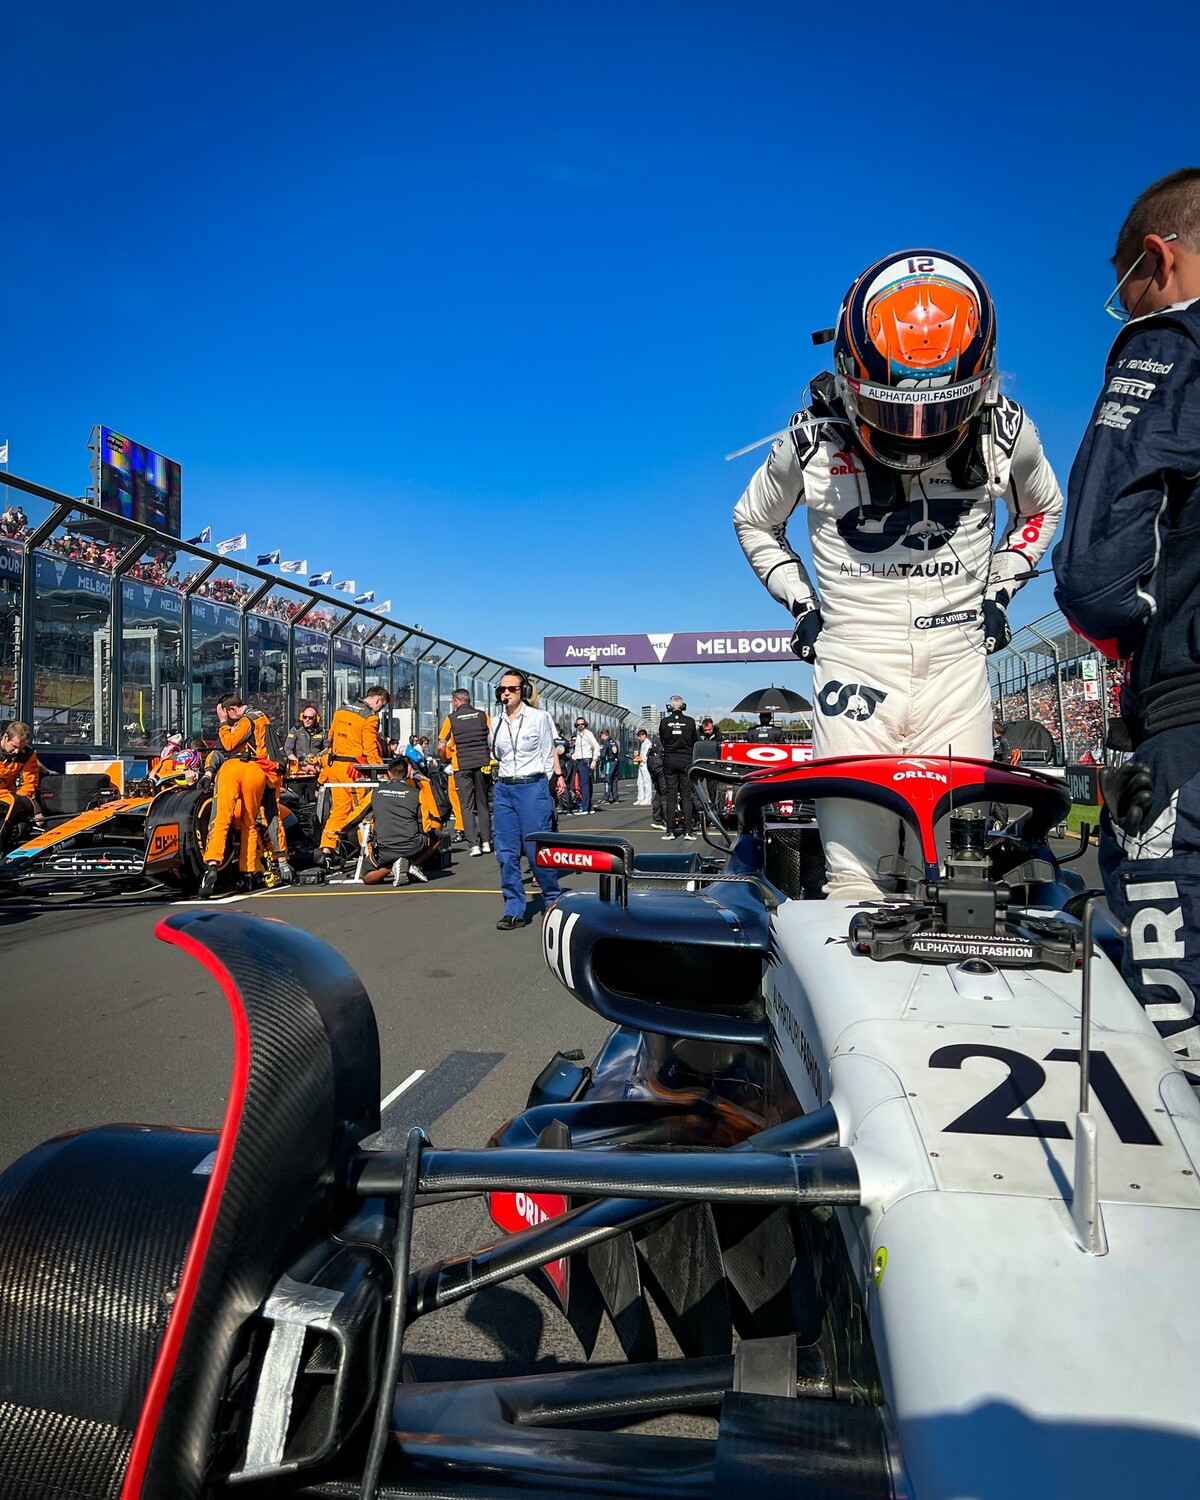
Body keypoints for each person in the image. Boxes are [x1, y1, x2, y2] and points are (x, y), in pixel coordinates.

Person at [735, 248, 1063, 896]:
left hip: (957, 665)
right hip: (855, 662)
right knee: (854, 881)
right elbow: (754, 521)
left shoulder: (1006, 429)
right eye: (897, 409)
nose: (916, 430)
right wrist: (803, 605)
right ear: (849, 374)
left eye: (937, 410)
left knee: (956, 881)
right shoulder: (809, 439)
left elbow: (1043, 508)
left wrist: (999, 592)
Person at [1052, 167, 1200, 1069]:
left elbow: (1096, 575)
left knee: (1178, 1062)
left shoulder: (1169, 345)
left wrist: (1136, 646)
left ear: (1158, 260)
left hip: (1187, 729)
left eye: (1126, 288)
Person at [489, 667, 567, 930]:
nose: (506, 693)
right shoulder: (496, 722)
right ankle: (514, 909)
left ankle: (552, 900)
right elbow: (497, 754)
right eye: (502, 689)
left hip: (532, 786)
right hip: (504, 788)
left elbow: (548, 753)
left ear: (523, 691)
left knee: (536, 850)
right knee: (506, 852)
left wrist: (543, 784)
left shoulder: (539, 718)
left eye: (511, 688)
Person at [210, 692, 291, 874]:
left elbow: (229, 743)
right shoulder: (260, 715)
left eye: (226, 714)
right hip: (271, 772)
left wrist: (223, 723)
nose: (229, 720)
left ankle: (254, 866)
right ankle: (281, 861)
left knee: (251, 821)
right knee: (272, 817)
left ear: (231, 709)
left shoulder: (247, 721)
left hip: (260, 773)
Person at [318, 685, 390, 865]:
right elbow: (370, 749)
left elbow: (330, 737)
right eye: (381, 706)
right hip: (354, 770)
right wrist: (382, 771)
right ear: (378, 700)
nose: (380, 710)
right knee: (363, 811)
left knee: (339, 810)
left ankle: (326, 849)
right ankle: (369, 854)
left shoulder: (341, 710)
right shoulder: (370, 718)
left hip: (335, 767)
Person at [361, 758, 439, 886]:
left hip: (385, 848)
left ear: (389, 773)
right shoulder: (417, 793)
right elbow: (425, 827)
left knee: (366, 876)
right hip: (411, 845)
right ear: (407, 773)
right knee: (438, 836)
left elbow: (357, 815)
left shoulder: (376, 792)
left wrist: (339, 831)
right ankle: (411, 863)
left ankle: (391, 866)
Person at [439, 688, 493, 857]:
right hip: (482, 763)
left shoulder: (451, 718)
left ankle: (473, 845)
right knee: (483, 803)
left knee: (466, 805)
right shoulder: (483, 715)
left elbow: (441, 745)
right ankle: (486, 842)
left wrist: (443, 760)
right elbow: (492, 737)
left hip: (461, 765)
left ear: (456, 701)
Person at [658, 695, 698, 841]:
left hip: (670, 760)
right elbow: (695, 741)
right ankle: (688, 831)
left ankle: (670, 831)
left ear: (669, 707)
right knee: (687, 795)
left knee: (671, 796)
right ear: (683, 706)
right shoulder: (690, 722)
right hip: (686, 760)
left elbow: (662, 739)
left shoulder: (664, 722)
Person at [0, 721, 43, 851]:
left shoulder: (28, 753)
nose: (17, 751)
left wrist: (23, 798)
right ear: (5, 737)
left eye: (21, 747)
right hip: (5, 796)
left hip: (9, 796)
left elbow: (31, 780)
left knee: (36, 817)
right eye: (14, 746)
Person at [571, 717, 599, 814]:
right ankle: (589, 807)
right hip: (579, 760)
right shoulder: (578, 734)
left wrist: (594, 760)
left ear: (585, 724)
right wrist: (574, 755)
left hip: (585, 760)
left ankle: (585, 808)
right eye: (578, 725)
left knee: (584, 784)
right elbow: (578, 749)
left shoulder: (587, 733)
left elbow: (596, 746)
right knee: (586, 783)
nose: (580, 726)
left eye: (582, 724)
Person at [598, 729, 621, 803]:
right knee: (614, 781)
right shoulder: (614, 743)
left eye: (601, 735)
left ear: (604, 735)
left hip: (609, 763)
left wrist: (601, 763)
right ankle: (615, 798)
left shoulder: (605, 743)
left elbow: (603, 755)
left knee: (607, 780)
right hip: (616, 762)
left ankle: (606, 798)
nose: (601, 737)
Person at [634, 727, 653, 806]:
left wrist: (641, 758)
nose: (639, 738)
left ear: (644, 735)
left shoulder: (648, 744)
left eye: (640, 736)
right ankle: (640, 798)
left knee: (646, 782)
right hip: (641, 764)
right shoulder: (643, 743)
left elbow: (646, 755)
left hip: (645, 764)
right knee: (640, 782)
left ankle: (648, 799)